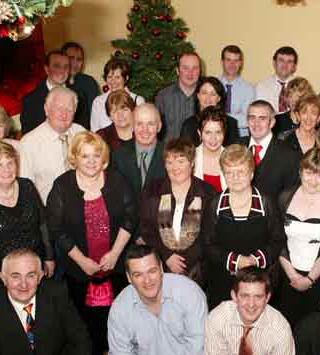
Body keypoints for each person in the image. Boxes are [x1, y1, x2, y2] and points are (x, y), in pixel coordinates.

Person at [47, 131, 136, 355]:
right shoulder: (62, 186)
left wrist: (116, 253)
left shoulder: (117, 180)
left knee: (117, 311)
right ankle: (93, 352)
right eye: (84, 155)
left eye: (96, 155)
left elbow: (130, 218)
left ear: (104, 158)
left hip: (114, 264)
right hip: (79, 267)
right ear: (74, 157)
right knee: (84, 315)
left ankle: (118, 350)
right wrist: (81, 261)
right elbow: (56, 228)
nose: (91, 161)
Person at [202, 144, 286, 309]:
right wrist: (236, 261)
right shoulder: (215, 204)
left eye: (240, 172)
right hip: (223, 282)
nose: (235, 177)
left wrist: (254, 261)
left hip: (259, 282)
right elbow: (207, 244)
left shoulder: (266, 203)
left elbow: (278, 240)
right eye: (229, 173)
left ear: (251, 173)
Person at [0, 141, 54, 291]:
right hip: (5, 275)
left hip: (36, 265)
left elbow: (42, 223)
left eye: (10, 163)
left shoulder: (27, 186)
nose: (7, 170)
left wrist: (49, 257)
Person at [278, 148, 320, 326]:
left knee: (316, 328)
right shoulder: (285, 197)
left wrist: (309, 280)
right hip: (289, 274)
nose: (313, 180)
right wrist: (293, 275)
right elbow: (278, 241)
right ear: (301, 171)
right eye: (309, 172)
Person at [138, 138, 215, 286]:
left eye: (181, 161)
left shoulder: (207, 192)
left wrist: (184, 262)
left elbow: (209, 234)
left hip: (197, 268)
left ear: (192, 163)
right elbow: (146, 228)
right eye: (169, 162)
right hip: (159, 265)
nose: (175, 168)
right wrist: (166, 256)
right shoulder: (152, 189)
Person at [19, 87, 86, 204]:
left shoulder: (81, 133)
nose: (64, 114)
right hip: (49, 211)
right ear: (46, 109)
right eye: (59, 108)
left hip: (85, 203)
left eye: (69, 110)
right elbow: (26, 190)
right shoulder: (28, 143)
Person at [239, 100, 300, 200]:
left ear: (272, 122)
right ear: (247, 121)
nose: (256, 123)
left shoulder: (290, 155)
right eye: (252, 118)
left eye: (262, 118)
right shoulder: (236, 147)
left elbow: (290, 197)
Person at [20, 50, 86, 134]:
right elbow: (28, 134)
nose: (62, 71)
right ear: (47, 69)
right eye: (57, 66)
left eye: (66, 67)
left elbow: (83, 129)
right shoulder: (30, 100)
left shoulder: (79, 95)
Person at [111, 103, 166, 202]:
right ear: (132, 126)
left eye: (150, 124)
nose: (145, 130)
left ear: (159, 127)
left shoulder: (170, 155)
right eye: (139, 124)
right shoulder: (118, 157)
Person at [180, 76, 239, 146]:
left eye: (213, 94)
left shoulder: (231, 124)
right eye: (204, 93)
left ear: (219, 98)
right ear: (198, 95)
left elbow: (234, 154)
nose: (208, 98)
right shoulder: (188, 124)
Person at [90, 58, 145, 132]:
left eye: (117, 77)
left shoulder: (138, 101)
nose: (113, 81)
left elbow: (142, 129)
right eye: (109, 77)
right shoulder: (98, 102)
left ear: (126, 78)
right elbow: (95, 131)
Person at [155, 52, 201, 141]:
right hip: (169, 153)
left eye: (195, 68)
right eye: (185, 68)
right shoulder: (163, 96)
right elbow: (155, 130)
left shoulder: (207, 97)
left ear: (200, 71)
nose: (190, 73)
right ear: (177, 70)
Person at [219, 44, 255, 137]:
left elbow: (247, 120)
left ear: (241, 63)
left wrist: (221, 116)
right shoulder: (213, 85)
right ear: (222, 62)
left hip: (240, 137)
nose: (232, 64)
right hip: (215, 135)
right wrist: (237, 115)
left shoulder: (248, 89)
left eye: (236, 61)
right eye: (228, 60)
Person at [63, 41, 100, 130]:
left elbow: (95, 113)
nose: (75, 63)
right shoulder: (54, 81)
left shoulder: (89, 82)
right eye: (71, 58)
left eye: (79, 59)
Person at [193, 106, 228, 192]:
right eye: (208, 132)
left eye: (218, 132)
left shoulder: (234, 159)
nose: (213, 138)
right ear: (199, 133)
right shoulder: (190, 158)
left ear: (224, 133)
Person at [256, 46, 299, 114]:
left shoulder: (301, 87)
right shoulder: (262, 87)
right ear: (274, 63)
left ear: (294, 66)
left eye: (289, 61)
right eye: (281, 60)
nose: (285, 65)